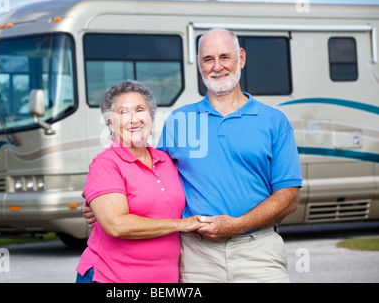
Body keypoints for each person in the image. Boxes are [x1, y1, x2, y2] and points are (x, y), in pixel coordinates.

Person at [83, 29, 302, 283]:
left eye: (225, 57)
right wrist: (95, 201)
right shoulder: (179, 121)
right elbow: (147, 175)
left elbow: (289, 198)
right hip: (196, 257)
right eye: (208, 59)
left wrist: (238, 224)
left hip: (258, 250)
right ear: (199, 64)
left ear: (241, 58)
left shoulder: (274, 121)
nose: (217, 67)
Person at [76, 80, 207, 283]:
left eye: (140, 110)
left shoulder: (167, 161)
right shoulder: (105, 164)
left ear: (151, 117)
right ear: (110, 123)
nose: (133, 119)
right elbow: (117, 225)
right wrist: (182, 224)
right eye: (123, 112)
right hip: (110, 278)